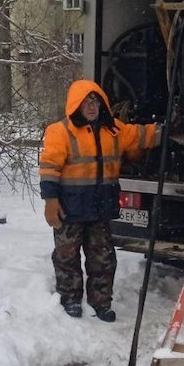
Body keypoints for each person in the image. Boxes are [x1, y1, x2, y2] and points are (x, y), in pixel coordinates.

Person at [39, 80, 161, 321]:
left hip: (100, 209)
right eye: (86, 102)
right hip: (70, 209)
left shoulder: (115, 130)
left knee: (103, 259)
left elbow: (142, 135)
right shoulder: (60, 131)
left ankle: (101, 303)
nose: (91, 106)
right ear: (76, 105)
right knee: (67, 257)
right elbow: (50, 167)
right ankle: (70, 300)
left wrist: (166, 131)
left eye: (95, 101)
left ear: (102, 104)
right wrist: (50, 200)